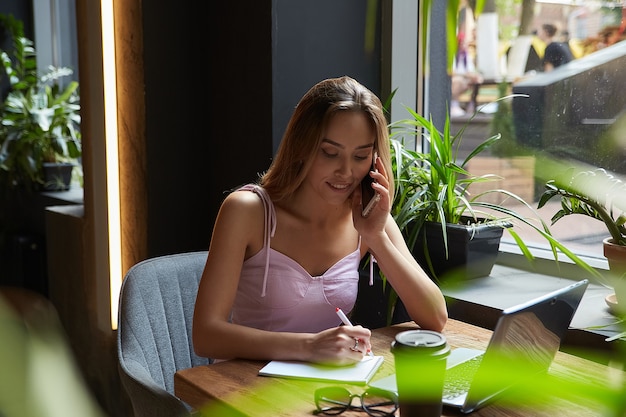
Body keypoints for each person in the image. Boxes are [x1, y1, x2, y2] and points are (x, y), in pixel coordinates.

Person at [192, 76, 448, 366]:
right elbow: (205, 336)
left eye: (361, 156)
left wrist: (376, 237)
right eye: (330, 153)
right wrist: (309, 346)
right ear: (302, 146)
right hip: (240, 390)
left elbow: (435, 318)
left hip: (318, 390)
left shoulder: (368, 219)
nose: (346, 172)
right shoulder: (247, 211)